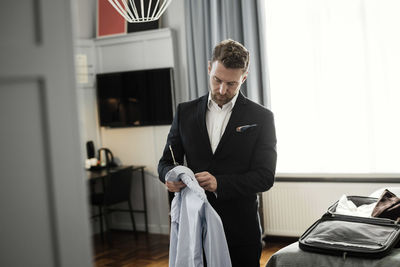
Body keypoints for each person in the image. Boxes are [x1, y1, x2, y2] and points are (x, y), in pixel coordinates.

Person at [158, 39, 277, 267]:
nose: (222, 90)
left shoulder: (262, 118)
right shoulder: (184, 112)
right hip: (195, 228)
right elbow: (166, 161)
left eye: (231, 84)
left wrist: (219, 183)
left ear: (244, 77)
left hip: (241, 232)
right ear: (209, 68)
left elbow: (265, 176)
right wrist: (169, 177)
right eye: (217, 80)